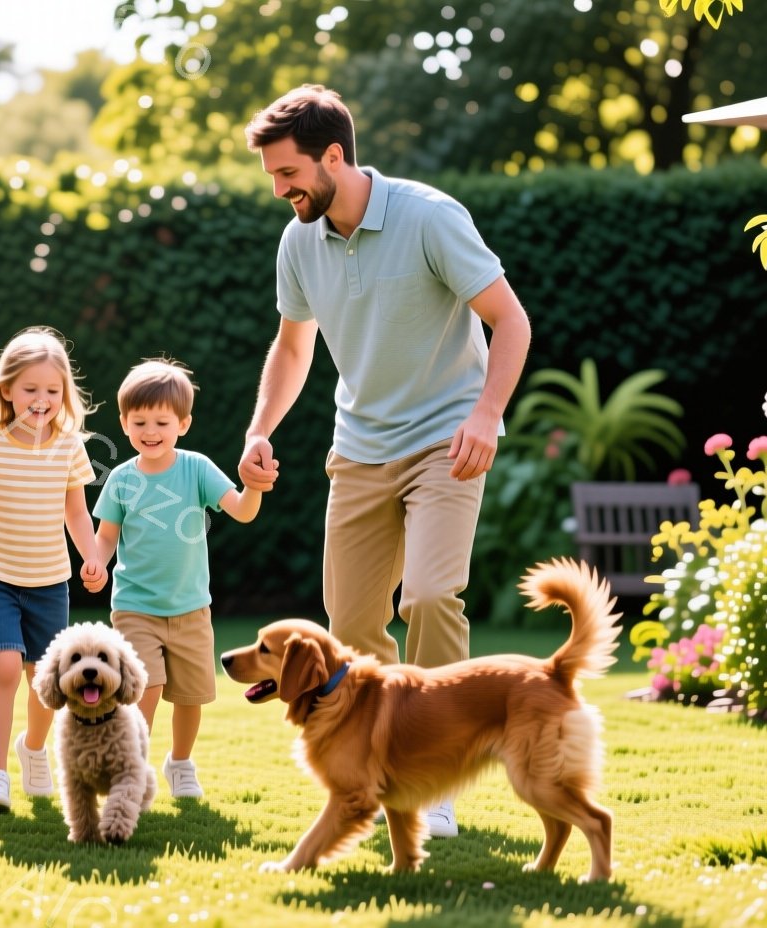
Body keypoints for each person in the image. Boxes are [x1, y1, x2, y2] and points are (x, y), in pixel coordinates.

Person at [236, 85, 532, 837]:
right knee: (351, 625)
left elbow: (510, 321)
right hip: (359, 449)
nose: (280, 189)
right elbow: (292, 346)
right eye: (273, 176)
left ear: (334, 156)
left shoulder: (429, 217)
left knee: (429, 596)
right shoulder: (299, 240)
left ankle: (439, 777)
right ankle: (385, 766)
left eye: (288, 173)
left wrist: (485, 415)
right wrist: (259, 429)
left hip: (445, 442)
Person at [87, 359, 262, 799]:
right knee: (145, 688)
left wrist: (255, 486)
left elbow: (243, 511)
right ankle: (132, 768)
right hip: (135, 608)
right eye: (139, 422)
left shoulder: (196, 468)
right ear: (124, 423)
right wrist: (97, 561)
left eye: (162, 422)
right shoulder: (121, 479)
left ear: (183, 424)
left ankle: (180, 763)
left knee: (190, 697)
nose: (150, 431)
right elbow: (106, 536)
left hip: (190, 608)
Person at [0, 327, 104, 813]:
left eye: (52, 391)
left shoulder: (69, 446)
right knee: (4, 669)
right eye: (30, 389)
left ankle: (33, 748)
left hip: (48, 581)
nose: (42, 400)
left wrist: (92, 555)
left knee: (45, 680)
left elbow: (76, 513)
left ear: (65, 394)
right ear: (7, 391)